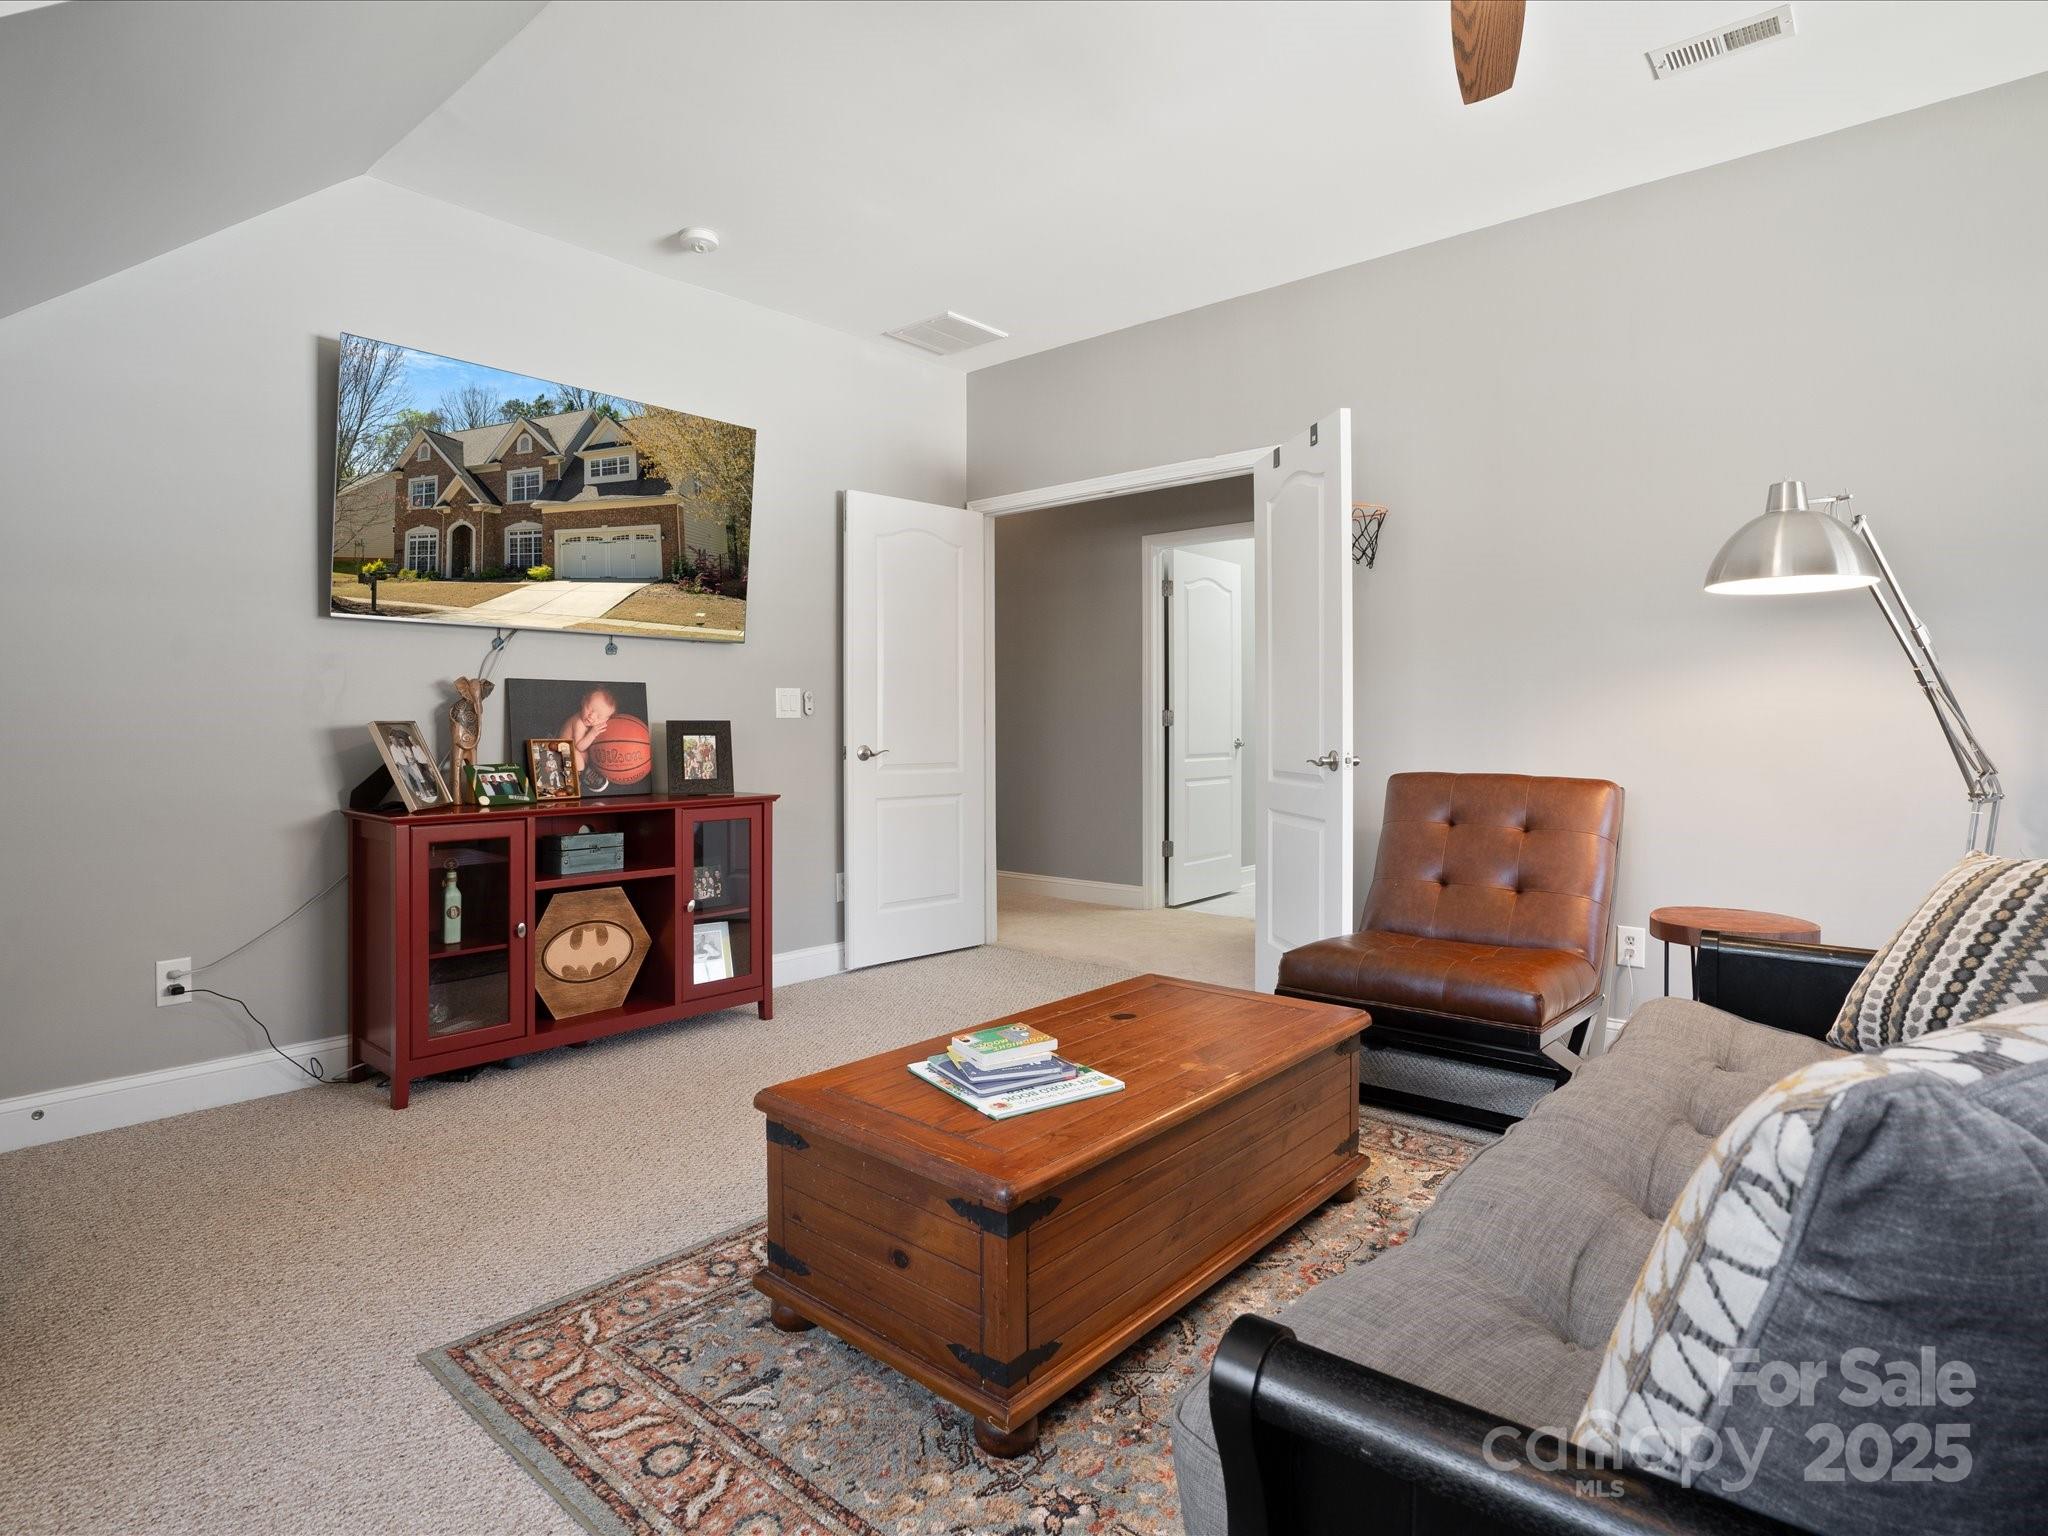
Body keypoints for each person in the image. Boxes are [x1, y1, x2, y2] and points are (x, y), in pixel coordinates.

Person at [558, 688, 618, 792]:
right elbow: (580, 746)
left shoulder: (591, 722)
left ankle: (580, 774)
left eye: (599, 717)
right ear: (583, 702)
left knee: (583, 755)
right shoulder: (579, 722)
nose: (592, 716)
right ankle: (583, 773)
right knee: (575, 754)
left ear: (606, 720)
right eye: (590, 709)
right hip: (561, 750)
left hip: (575, 754)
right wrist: (593, 733)